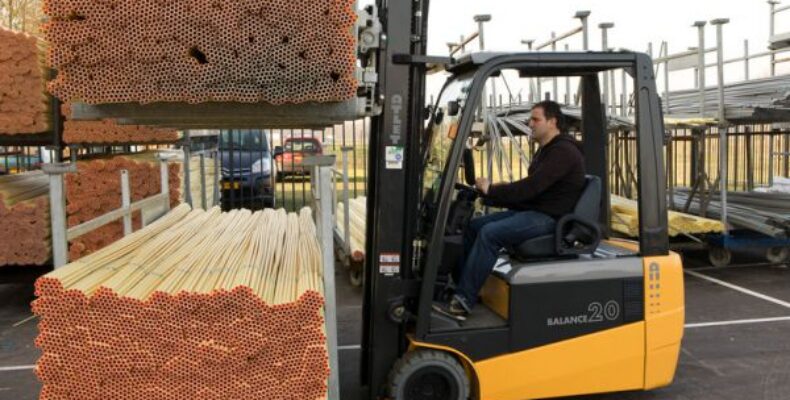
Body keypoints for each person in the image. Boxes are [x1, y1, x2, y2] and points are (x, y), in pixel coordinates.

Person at [434, 100, 586, 321]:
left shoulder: (563, 152)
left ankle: (462, 302)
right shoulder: (548, 150)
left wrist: (493, 191)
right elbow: (531, 189)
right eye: (530, 119)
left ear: (552, 122)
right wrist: (493, 192)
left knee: (490, 233)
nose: (530, 123)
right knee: (476, 225)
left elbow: (530, 188)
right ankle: (463, 288)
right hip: (537, 210)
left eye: (536, 119)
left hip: (551, 218)